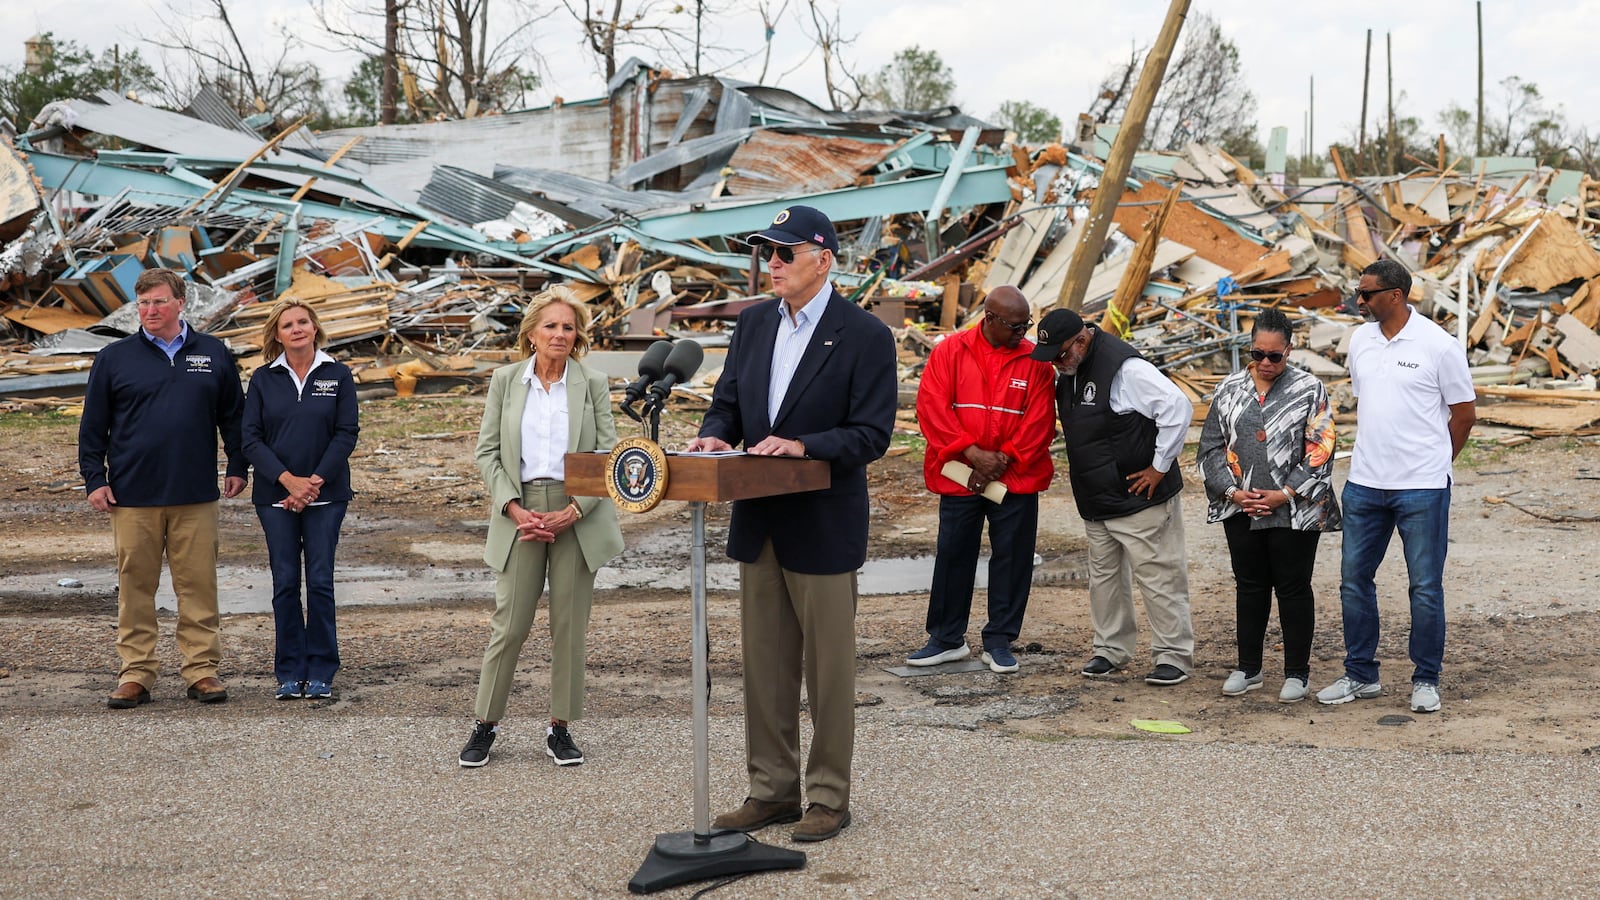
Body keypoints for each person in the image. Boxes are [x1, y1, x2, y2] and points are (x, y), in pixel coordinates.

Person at [685, 204, 896, 843]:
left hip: (823, 523)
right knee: (765, 667)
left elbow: (873, 433)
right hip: (760, 519)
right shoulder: (751, 326)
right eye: (766, 254)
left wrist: (804, 445)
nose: (771, 264)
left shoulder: (864, 334)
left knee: (827, 670)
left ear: (822, 258)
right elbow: (726, 407)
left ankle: (828, 797)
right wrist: (715, 438)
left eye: (784, 254)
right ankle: (772, 792)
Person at [459, 286, 624, 768]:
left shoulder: (591, 383)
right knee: (509, 626)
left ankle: (560, 729)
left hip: (577, 512)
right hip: (521, 510)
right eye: (550, 325)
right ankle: (484, 724)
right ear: (530, 333)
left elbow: (608, 458)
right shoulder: (506, 380)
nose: (559, 334)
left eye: (568, 327)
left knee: (569, 627)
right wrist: (513, 508)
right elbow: (487, 452)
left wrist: (573, 510)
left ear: (578, 336)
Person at [78, 267, 247, 708]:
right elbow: (93, 426)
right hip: (133, 495)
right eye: (143, 302)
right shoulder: (115, 358)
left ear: (179, 304)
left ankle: (202, 671)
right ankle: (136, 673)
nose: (150, 310)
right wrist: (95, 478)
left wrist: (238, 465)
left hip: (195, 494)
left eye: (158, 302)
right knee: (135, 587)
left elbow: (233, 416)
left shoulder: (212, 353)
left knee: (198, 586)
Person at [1317, 259, 1476, 713]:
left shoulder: (1439, 346)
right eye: (1358, 293)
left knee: (1425, 586)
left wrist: (1434, 465)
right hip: (1365, 483)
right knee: (1353, 581)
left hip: (1422, 488)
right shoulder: (1361, 341)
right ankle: (1360, 675)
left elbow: (1464, 415)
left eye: (1366, 294)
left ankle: (1426, 679)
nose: (1359, 301)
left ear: (1396, 295)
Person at [1031, 308, 1196, 686]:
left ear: (1082, 340)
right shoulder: (1070, 372)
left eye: (1060, 354)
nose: (1056, 363)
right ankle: (1110, 648)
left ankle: (1173, 655)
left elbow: (1177, 407)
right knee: (1104, 579)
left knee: (1159, 576)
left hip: (1140, 496)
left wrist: (1159, 466)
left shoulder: (1125, 369)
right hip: (1096, 499)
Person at [907, 285, 1056, 674]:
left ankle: (999, 639)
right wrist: (971, 454)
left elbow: (1040, 420)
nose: (1021, 334)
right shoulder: (950, 352)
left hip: (1015, 478)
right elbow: (932, 409)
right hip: (961, 476)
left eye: (1026, 325)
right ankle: (946, 638)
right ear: (989, 318)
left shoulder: (1035, 362)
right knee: (954, 552)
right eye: (1014, 326)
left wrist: (1003, 458)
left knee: (1013, 557)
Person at [1196, 309, 1341, 703]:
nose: (1264, 362)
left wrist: (1285, 494)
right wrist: (1232, 492)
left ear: (1289, 351)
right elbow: (1209, 448)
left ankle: (1297, 672)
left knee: (1293, 588)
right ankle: (1249, 668)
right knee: (1249, 586)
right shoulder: (1228, 389)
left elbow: (1322, 448)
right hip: (1240, 507)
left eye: (1274, 356)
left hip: (1294, 509)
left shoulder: (1310, 389)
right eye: (1257, 353)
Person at [241, 301, 360, 701]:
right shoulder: (263, 379)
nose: (296, 329)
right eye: (287, 325)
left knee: (321, 583)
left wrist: (313, 484)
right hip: (275, 496)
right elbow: (250, 439)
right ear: (277, 334)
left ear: (314, 328)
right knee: (286, 583)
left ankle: (323, 670)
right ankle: (290, 672)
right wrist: (289, 482)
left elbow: (346, 433)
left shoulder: (337, 375)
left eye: (303, 322)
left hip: (326, 496)